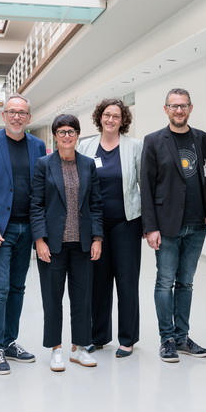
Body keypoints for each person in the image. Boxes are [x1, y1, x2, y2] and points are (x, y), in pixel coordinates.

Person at [0, 94, 46, 375]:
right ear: (3, 115)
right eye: (12, 112)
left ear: (29, 117)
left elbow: (42, 190)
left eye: (23, 113)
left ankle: (10, 341)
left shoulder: (38, 146)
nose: (17, 117)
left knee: (18, 288)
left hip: (27, 229)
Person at [141, 88, 206, 363]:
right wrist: (150, 227)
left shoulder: (202, 139)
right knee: (164, 282)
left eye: (183, 106)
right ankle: (167, 339)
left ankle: (182, 337)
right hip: (166, 225)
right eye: (174, 106)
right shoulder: (153, 141)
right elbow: (146, 188)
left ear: (191, 108)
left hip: (197, 224)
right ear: (166, 109)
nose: (179, 110)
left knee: (186, 283)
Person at [30, 114, 103, 372]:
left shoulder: (87, 164)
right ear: (55, 136)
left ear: (78, 134)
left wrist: (97, 238)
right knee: (52, 299)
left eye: (72, 131)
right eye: (61, 132)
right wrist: (39, 239)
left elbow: (95, 203)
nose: (67, 136)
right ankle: (56, 349)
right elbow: (36, 204)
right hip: (53, 244)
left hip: (82, 243)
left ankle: (81, 348)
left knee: (82, 299)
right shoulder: (43, 164)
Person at [78, 99, 142, 358]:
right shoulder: (86, 146)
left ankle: (127, 338)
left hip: (127, 222)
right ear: (99, 117)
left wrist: (148, 224)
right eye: (107, 115)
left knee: (127, 281)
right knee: (98, 282)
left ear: (123, 120)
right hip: (96, 225)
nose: (111, 120)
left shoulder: (135, 146)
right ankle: (98, 336)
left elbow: (144, 184)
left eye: (116, 116)